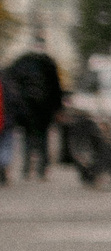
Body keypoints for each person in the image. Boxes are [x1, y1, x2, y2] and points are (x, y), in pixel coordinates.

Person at [5, 39, 63, 181]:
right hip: (44, 109)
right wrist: (58, 108)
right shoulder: (48, 62)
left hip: (26, 108)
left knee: (27, 138)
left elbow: (10, 82)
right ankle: (41, 169)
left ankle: (26, 168)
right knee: (43, 138)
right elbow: (56, 87)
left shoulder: (22, 62)